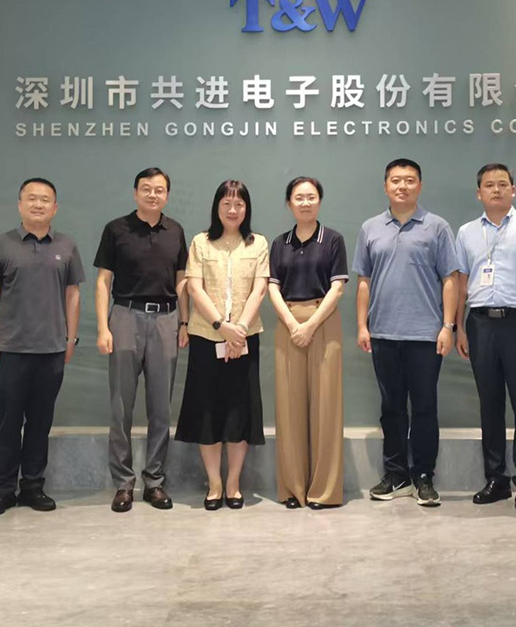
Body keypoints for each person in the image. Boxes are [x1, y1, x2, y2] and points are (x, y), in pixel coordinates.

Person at [352, 158, 458, 507]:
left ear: (420, 186)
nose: (402, 186)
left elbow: (450, 279)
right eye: (396, 180)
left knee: (425, 407)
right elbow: (364, 281)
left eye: (410, 180)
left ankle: (424, 476)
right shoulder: (370, 228)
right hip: (383, 333)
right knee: (391, 408)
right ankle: (396, 474)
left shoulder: (437, 227)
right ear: (385, 186)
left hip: (426, 334)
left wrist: (448, 326)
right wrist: (362, 326)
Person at [0, 178, 85, 517]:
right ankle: (3, 490)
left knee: (40, 423)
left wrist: (70, 339)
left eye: (45, 200)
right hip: (9, 350)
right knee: (8, 424)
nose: (38, 205)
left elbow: (73, 295)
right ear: (20, 204)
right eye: (31, 199)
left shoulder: (67, 245)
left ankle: (33, 487)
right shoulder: (2, 244)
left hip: (51, 351)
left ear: (55, 207)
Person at [455, 163, 516, 511]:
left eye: (502, 184)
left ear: (513, 190)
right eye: (488, 185)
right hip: (480, 324)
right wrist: (459, 326)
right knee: (490, 404)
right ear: (478, 193)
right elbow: (461, 282)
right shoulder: (467, 232)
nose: (496, 190)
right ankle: (496, 479)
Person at [94, 167, 189, 513]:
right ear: (135, 193)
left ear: (167, 195)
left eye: (159, 189)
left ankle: (154, 482)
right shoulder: (116, 229)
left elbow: (182, 280)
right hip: (125, 316)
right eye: (146, 189)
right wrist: (103, 327)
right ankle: (123, 483)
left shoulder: (175, 231)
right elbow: (103, 281)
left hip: (166, 319)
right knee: (121, 405)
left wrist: (184, 321)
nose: (153, 194)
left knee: (161, 407)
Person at [175, 180, 269, 510]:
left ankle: (233, 484)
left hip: (245, 338)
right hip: (206, 337)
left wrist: (238, 330)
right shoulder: (201, 243)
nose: (233, 209)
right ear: (216, 207)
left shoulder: (258, 244)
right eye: (226, 203)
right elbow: (194, 288)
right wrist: (221, 326)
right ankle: (214, 484)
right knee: (208, 412)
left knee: (239, 413)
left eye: (239, 204)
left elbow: (260, 289)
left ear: (247, 208)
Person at [268, 177, 348, 510]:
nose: (305, 202)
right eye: (298, 197)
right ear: (289, 203)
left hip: (323, 322)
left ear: (319, 201)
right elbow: (272, 287)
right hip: (288, 324)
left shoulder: (333, 239)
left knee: (326, 407)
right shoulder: (279, 243)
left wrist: (311, 325)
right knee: (289, 408)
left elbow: (338, 288)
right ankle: (293, 489)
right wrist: (292, 324)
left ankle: (324, 492)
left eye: (311, 197)